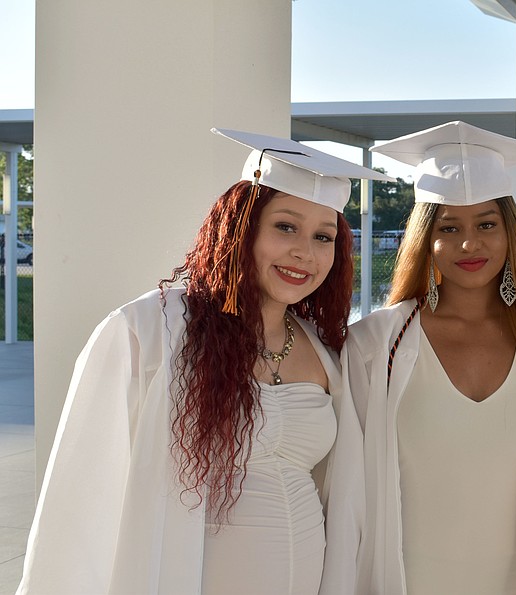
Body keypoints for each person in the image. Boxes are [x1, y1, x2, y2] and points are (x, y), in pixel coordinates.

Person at [16, 128, 391, 595]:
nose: (305, 252)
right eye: (285, 227)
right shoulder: (153, 331)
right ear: (241, 227)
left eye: (324, 236)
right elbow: (83, 488)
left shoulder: (325, 352)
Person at [344, 121, 516, 595]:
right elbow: (347, 490)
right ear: (426, 238)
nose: (470, 243)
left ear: (510, 233)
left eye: (487, 223)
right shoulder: (377, 344)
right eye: (449, 227)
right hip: (409, 581)